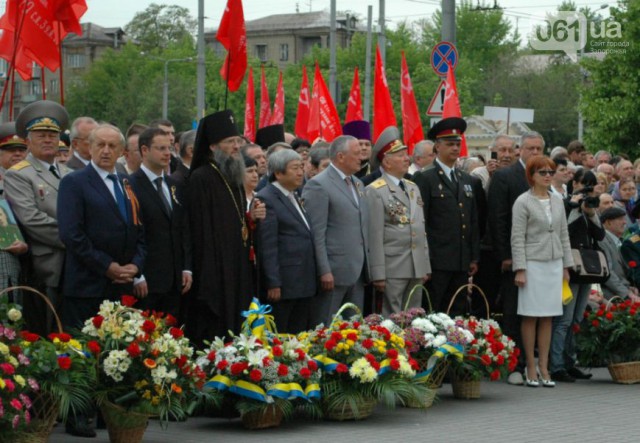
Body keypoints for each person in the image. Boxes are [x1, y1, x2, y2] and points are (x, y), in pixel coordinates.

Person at [186, 110, 265, 345]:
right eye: (229, 142)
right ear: (212, 146)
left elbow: (237, 221)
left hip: (237, 263)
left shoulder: (233, 174)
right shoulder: (201, 178)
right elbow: (199, 230)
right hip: (215, 267)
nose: (236, 147)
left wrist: (253, 220)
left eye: (237, 141)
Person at [58, 123, 145, 325]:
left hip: (122, 286)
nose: (106, 151)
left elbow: (139, 229)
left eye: (112, 146)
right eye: (100, 144)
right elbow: (71, 234)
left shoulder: (126, 181)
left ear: (121, 151)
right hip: (87, 287)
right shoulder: (74, 182)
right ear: (90, 147)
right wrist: (106, 266)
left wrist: (136, 265)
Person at [4, 101, 71, 337]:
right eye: (41, 135)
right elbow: (32, 220)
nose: (48, 140)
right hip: (46, 265)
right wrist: (76, 238)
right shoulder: (20, 174)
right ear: (28, 141)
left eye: (52, 135)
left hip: (77, 264)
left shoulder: (69, 173)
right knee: (48, 330)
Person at [487, 131, 544, 385]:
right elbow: (498, 219)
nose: (534, 153)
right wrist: (506, 255)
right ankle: (513, 365)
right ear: (520, 150)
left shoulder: (544, 177)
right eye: (530, 148)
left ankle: (532, 363)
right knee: (512, 312)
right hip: (514, 257)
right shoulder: (504, 176)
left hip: (540, 257)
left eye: (539, 148)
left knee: (533, 312)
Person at [511, 156, 573, 388]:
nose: (547, 175)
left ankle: (544, 366)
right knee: (530, 314)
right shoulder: (522, 202)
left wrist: (566, 265)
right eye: (542, 172)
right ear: (531, 175)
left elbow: (563, 235)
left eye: (550, 172)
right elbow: (517, 237)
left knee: (548, 315)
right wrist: (520, 268)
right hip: (532, 263)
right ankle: (530, 364)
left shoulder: (557, 201)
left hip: (553, 262)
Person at [413, 117, 480, 314]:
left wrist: (473, 256)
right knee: (433, 308)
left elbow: (472, 219)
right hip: (437, 260)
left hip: (460, 259)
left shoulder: (466, 179)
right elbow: (421, 221)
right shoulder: (425, 177)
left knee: (457, 309)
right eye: (449, 144)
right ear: (437, 147)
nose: (455, 148)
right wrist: (424, 259)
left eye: (458, 143)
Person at [302, 135, 369, 324]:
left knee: (354, 330)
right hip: (333, 271)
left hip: (357, 270)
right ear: (340, 157)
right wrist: (324, 270)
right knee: (326, 328)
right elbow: (317, 232)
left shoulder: (358, 183)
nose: (361, 158)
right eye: (356, 154)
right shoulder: (319, 185)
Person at [365, 130, 431, 316]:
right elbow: (375, 235)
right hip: (392, 266)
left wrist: (425, 264)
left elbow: (420, 227)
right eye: (400, 155)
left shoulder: (412, 187)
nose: (407, 159)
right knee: (391, 317)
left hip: (415, 265)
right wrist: (378, 273)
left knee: (414, 316)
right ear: (386, 162)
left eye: (406, 154)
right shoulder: (376, 190)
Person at [129, 127, 192, 321]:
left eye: (169, 149)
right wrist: (137, 274)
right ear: (145, 150)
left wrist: (186, 267)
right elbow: (132, 233)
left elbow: (183, 228)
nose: (167, 154)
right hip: (148, 278)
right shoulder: (131, 185)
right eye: (161, 148)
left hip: (175, 279)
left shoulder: (174, 184)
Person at [550, 169, 605, 383]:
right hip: (569, 268)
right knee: (564, 319)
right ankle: (556, 365)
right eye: (584, 184)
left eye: (591, 185)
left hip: (586, 268)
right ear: (574, 183)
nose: (586, 190)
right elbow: (562, 231)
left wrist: (591, 213)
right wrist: (575, 206)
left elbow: (600, 235)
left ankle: (570, 362)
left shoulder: (587, 208)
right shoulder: (564, 204)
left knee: (576, 318)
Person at [256, 149, 316, 333]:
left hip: (303, 280)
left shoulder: (293, 195)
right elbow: (268, 245)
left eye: (301, 167)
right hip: (285, 283)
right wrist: (273, 282)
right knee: (282, 334)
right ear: (279, 173)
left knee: (299, 334)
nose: (300, 172)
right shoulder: (267, 197)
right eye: (295, 168)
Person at [598, 206, 639, 302]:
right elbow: (608, 272)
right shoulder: (602, 241)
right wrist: (627, 293)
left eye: (624, 219)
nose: (625, 222)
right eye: (620, 219)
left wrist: (630, 288)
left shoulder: (619, 241)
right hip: (612, 295)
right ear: (608, 222)